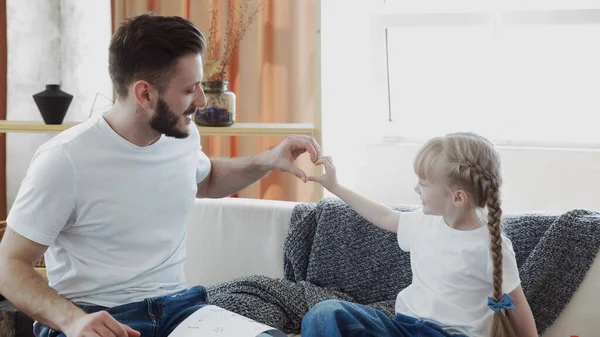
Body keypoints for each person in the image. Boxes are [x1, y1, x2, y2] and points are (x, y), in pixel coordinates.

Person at [0, 13, 320, 337]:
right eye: (189, 90)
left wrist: (269, 160)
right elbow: (9, 266)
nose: (202, 100)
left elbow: (205, 180)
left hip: (179, 311)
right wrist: (73, 321)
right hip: (97, 318)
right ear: (145, 94)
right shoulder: (64, 160)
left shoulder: (179, 134)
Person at [301, 133, 538, 337]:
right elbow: (384, 216)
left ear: (457, 197)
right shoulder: (422, 222)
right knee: (325, 314)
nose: (416, 189)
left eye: (424, 183)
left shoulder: (489, 245)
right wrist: (336, 187)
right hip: (403, 328)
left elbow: (517, 304)